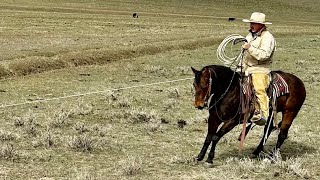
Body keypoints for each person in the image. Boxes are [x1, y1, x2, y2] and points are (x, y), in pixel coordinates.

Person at [241, 12, 276, 126]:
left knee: (259, 88)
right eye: (251, 23)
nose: (252, 25)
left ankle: (263, 114)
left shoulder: (268, 37)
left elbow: (264, 55)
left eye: (254, 23)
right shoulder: (250, 35)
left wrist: (250, 48)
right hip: (246, 67)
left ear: (261, 25)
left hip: (260, 68)